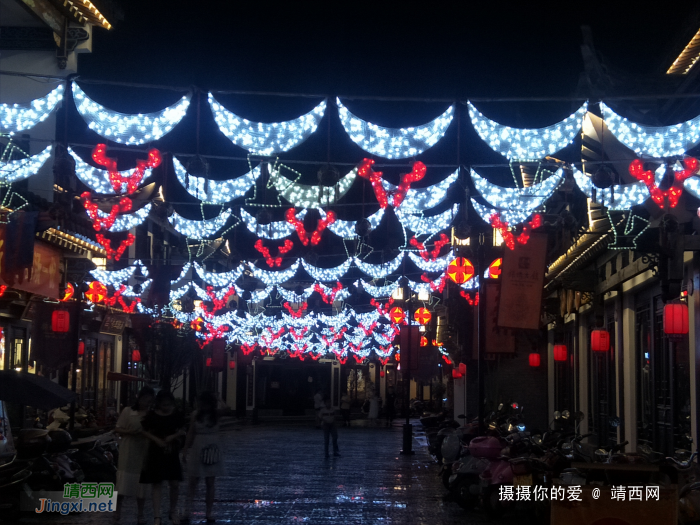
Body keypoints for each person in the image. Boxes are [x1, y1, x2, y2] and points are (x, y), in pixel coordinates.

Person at [140, 390, 187, 525]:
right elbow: (143, 431)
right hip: (156, 451)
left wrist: (174, 436)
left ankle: (172, 510)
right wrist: (156, 439)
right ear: (159, 404)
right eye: (164, 404)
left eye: (169, 404)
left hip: (171, 451)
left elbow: (183, 430)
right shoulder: (152, 416)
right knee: (157, 483)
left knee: (174, 483)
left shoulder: (176, 415)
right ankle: (157, 516)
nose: (166, 407)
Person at [114, 386, 155, 524]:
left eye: (149, 401)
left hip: (144, 450)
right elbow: (118, 428)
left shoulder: (151, 414)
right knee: (123, 483)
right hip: (129, 449)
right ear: (139, 398)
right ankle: (117, 512)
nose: (146, 403)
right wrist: (130, 432)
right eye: (145, 400)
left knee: (141, 486)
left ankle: (140, 514)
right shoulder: (128, 411)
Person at [182, 392, 226, 524]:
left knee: (210, 482)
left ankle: (209, 511)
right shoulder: (196, 415)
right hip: (198, 446)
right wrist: (185, 449)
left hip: (212, 446)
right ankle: (187, 510)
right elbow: (191, 432)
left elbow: (226, 408)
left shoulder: (216, 414)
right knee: (193, 481)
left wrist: (219, 398)